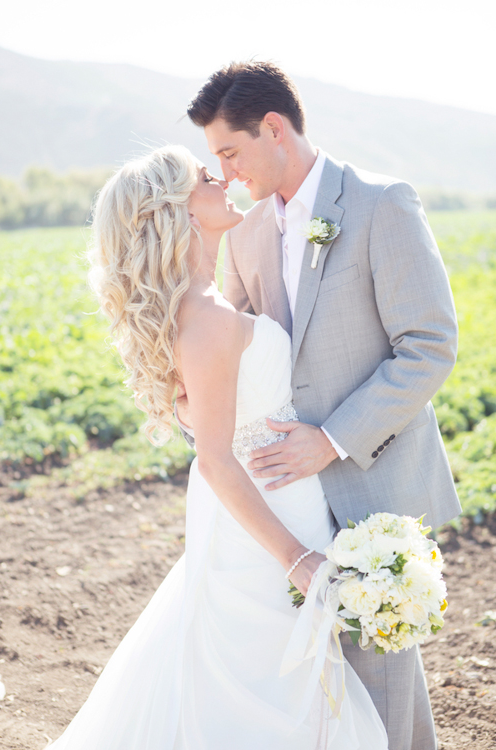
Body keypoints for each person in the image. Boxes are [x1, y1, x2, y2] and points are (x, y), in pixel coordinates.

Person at [45, 144, 389, 749]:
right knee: (258, 685)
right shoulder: (203, 315)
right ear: (177, 210)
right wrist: (295, 557)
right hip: (260, 529)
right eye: (206, 177)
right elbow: (214, 458)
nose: (223, 178)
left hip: (276, 501)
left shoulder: (208, 300)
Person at [181, 61, 462, 750]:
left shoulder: (380, 203)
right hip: (286, 500)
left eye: (228, 152)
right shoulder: (244, 234)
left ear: (273, 128)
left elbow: (428, 346)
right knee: (309, 687)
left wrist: (332, 439)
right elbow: (247, 358)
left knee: (382, 676)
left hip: (372, 481)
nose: (223, 172)